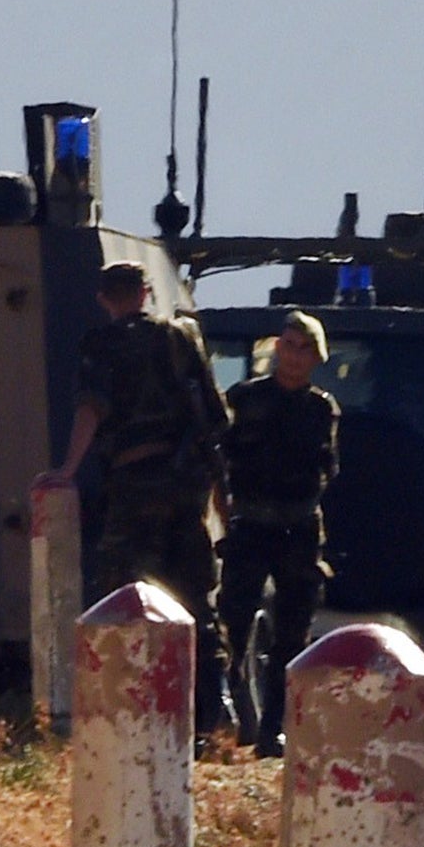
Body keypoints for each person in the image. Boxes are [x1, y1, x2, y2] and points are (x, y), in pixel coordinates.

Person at [54, 259, 233, 738]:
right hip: (185, 487)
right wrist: (220, 499)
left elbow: (92, 407)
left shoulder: (103, 344)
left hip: (135, 486)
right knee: (196, 599)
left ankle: (131, 714)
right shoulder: (181, 339)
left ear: (103, 298)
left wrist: (67, 470)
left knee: (124, 598)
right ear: (147, 292)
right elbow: (216, 420)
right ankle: (209, 716)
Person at [216, 311, 341, 757]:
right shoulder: (245, 399)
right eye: (287, 345)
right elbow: (219, 462)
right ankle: (226, 720)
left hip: (298, 526)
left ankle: (274, 729)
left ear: (316, 356)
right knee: (231, 624)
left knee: (292, 632)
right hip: (250, 522)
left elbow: (327, 473)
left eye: (303, 347)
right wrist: (224, 514)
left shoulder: (320, 409)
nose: (293, 355)